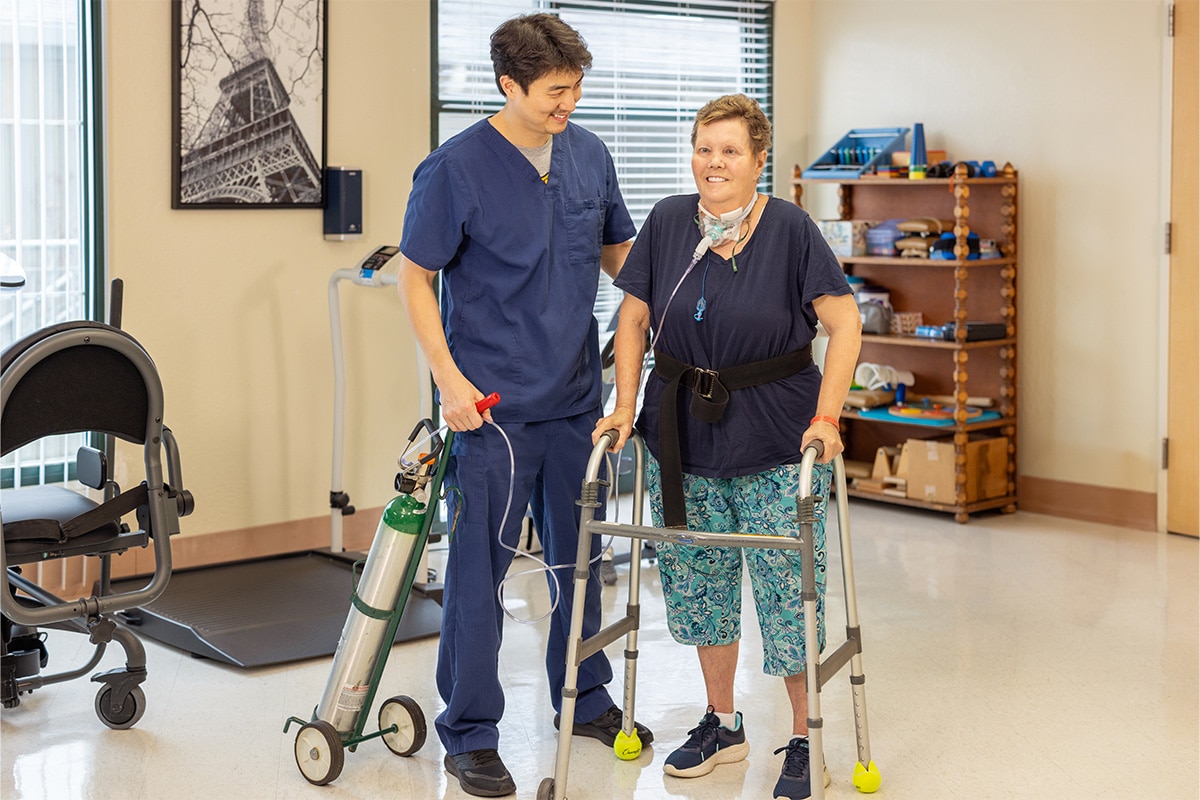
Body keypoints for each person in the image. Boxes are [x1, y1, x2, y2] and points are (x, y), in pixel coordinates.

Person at [397, 13, 652, 798]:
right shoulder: (454, 169)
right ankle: (470, 733)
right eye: (552, 92)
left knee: (584, 563)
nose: (566, 105)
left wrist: (682, 275)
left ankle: (586, 700)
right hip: (492, 410)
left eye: (575, 89)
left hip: (576, 399)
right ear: (508, 85)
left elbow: (617, 253)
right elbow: (415, 276)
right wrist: (447, 378)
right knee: (481, 575)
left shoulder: (588, 153)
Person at [592, 94, 862, 800]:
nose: (715, 162)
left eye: (731, 151)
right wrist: (624, 406)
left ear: (758, 159)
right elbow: (633, 316)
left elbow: (845, 322)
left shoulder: (792, 230)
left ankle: (805, 736)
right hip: (682, 432)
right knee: (701, 581)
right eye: (705, 148)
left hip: (776, 432)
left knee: (785, 590)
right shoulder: (670, 222)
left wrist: (828, 417)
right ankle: (723, 722)